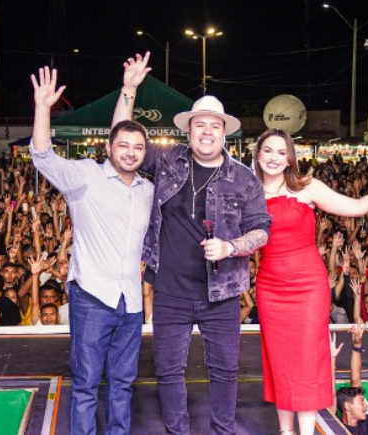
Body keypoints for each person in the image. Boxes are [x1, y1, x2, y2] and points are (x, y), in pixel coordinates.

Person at [112, 53, 271, 435]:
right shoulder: (167, 161)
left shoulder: (244, 178)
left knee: (225, 371)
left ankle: (222, 429)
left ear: (224, 132)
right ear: (189, 130)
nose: (206, 132)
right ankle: (177, 431)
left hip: (223, 294)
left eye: (214, 126)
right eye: (200, 125)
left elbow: (262, 228)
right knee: (168, 371)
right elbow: (122, 139)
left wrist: (232, 247)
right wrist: (129, 89)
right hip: (169, 290)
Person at [252, 128, 368, 435]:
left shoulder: (307, 187)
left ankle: (305, 431)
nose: (274, 158)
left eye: (282, 152)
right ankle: (285, 431)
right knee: (278, 356)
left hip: (307, 285)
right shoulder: (247, 191)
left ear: (291, 157)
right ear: (257, 154)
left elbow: (357, 207)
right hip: (269, 286)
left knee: (305, 358)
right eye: (268, 151)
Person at [30, 65, 154, 435]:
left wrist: (130, 90)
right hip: (91, 298)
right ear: (108, 149)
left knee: (122, 386)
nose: (130, 153)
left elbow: (122, 129)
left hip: (130, 303)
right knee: (85, 386)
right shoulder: (85, 176)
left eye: (138, 147)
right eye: (123, 146)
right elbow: (43, 156)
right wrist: (42, 108)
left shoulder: (148, 190)